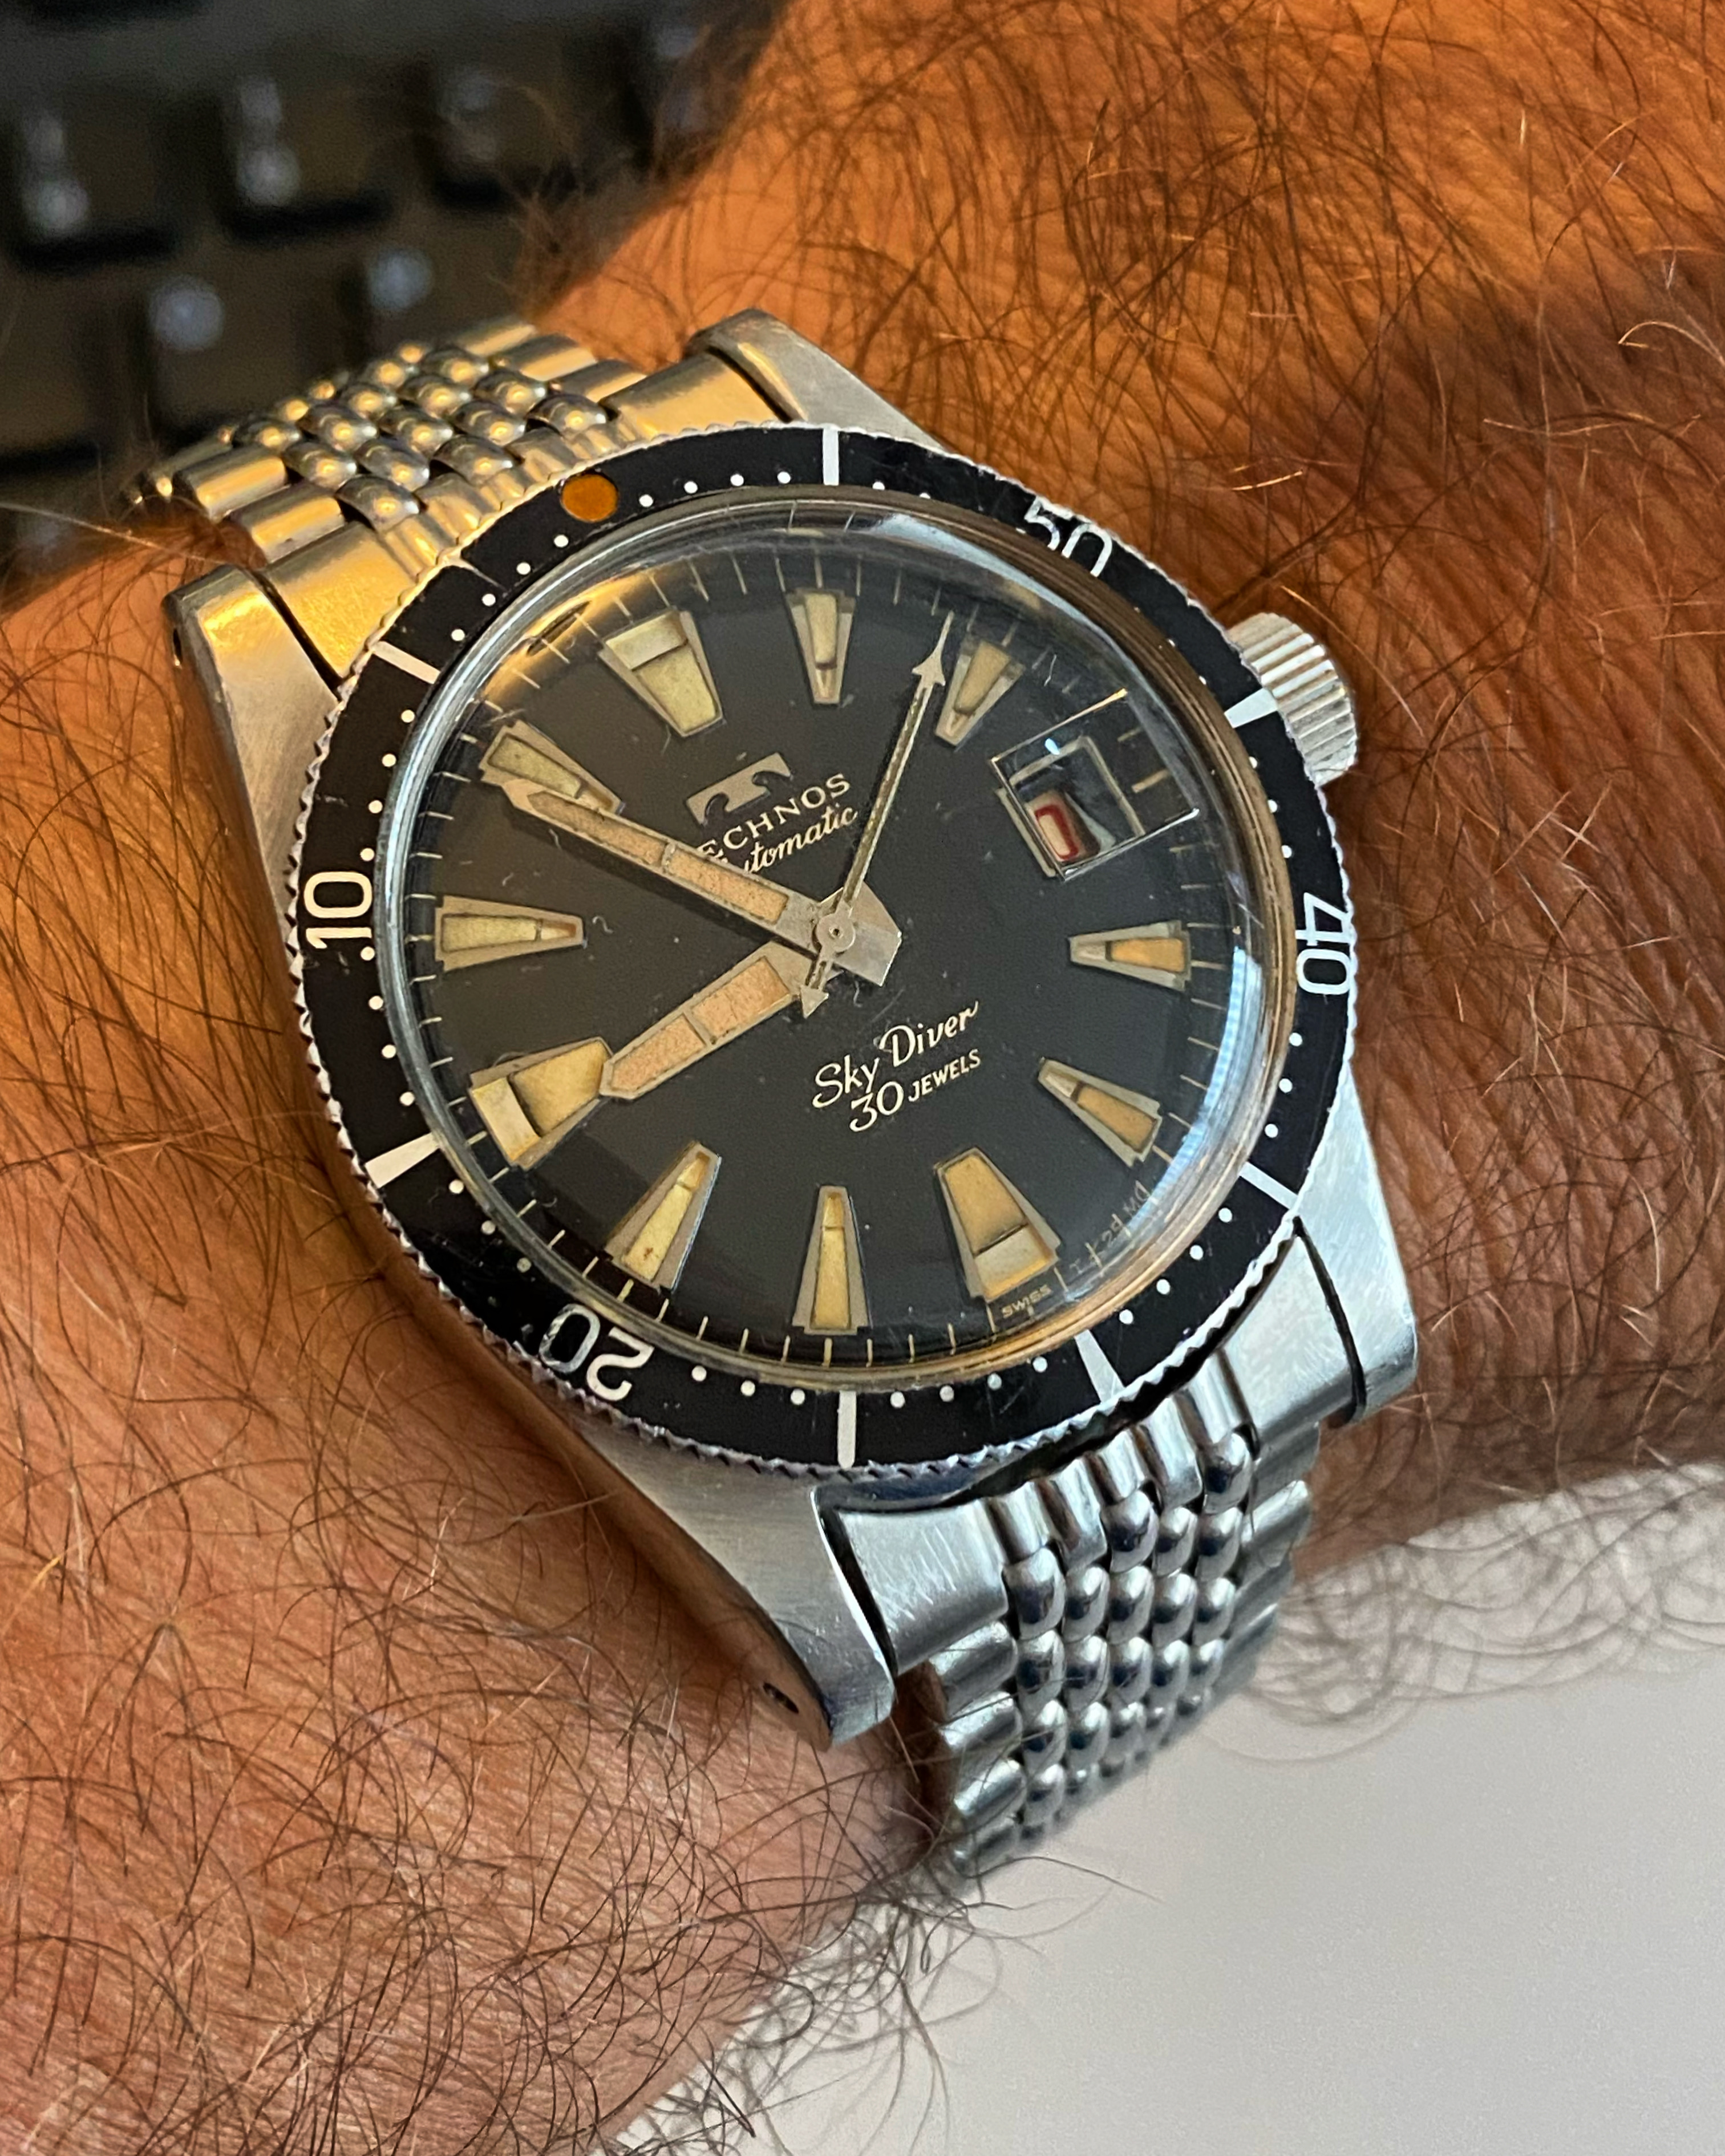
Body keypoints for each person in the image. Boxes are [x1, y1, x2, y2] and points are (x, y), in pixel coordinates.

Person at [3, 0, 1723, 2143]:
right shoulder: (310, 683)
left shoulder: (914, 602)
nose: (839, 941)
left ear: (1251, 705)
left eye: (835, 926)